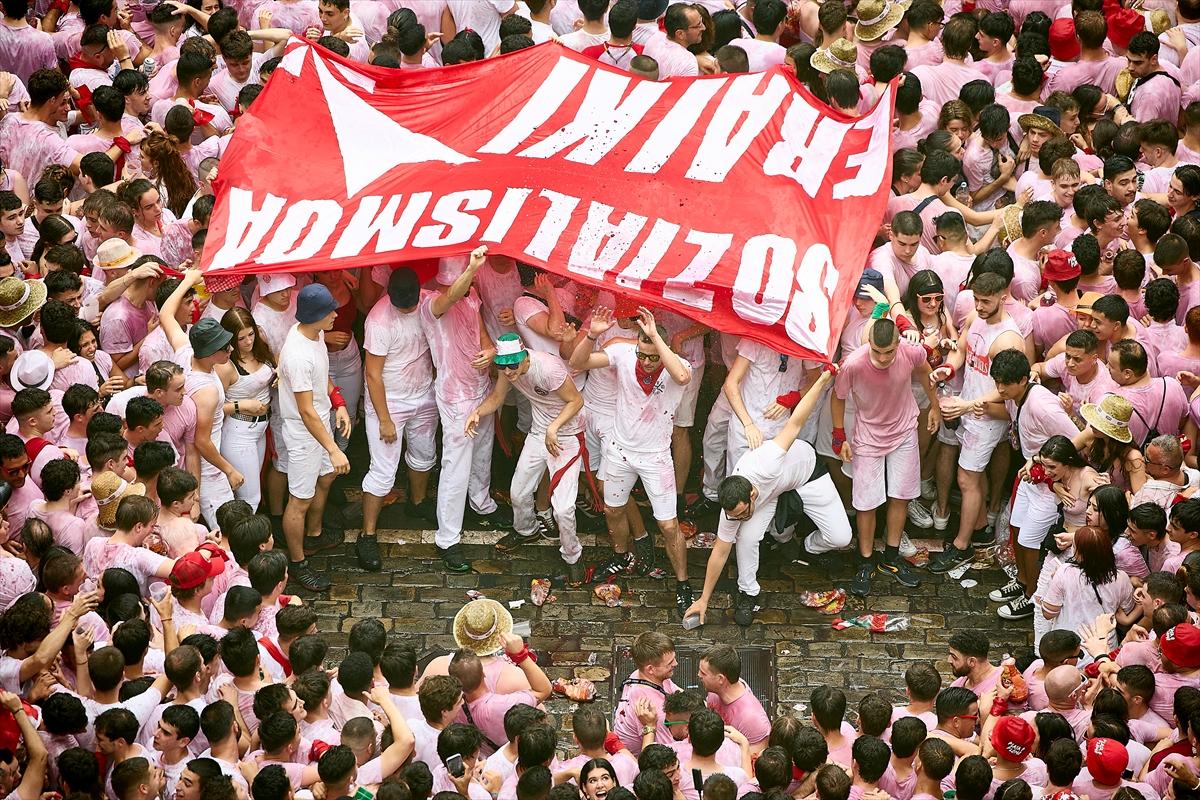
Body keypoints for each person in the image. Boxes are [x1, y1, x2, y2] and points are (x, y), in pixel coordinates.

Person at [684, 370, 851, 627]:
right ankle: (748, 592)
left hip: (807, 475)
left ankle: (807, 547)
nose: (738, 519)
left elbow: (796, 422)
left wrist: (821, 381)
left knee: (841, 537)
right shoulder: (732, 508)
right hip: (771, 495)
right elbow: (719, 552)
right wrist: (703, 600)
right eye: (734, 516)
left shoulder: (767, 463)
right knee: (746, 538)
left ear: (751, 494)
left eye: (742, 513)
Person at [569, 305, 694, 617]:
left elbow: (679, 374)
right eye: (643, 354)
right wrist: (592, 334)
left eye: (653, 356)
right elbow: (577, 361)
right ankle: (622, 555)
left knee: (667, 524)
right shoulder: (625, 355)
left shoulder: (678, 365)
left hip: (655, 457)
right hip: (620, 450)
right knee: (612, 509)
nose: (647, 362)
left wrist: (655, 339)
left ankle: (682, 583)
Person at [466, 333, 584, 582]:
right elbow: (497, 398)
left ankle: (573, 557)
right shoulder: (508, 372)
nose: (507, 371)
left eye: (512, 365)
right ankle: (526, 530)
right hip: (539, 432)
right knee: (518, 492)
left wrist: (555, 428)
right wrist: (477, 412)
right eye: (502, 365)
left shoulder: (548, 369)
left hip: (567, 435)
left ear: (523, 358)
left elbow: (576, 401)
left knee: (563, 508)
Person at [834, 316, 938, 596]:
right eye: (877, 352)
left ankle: (891, 557)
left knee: (901, 496)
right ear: (869, 344)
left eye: (889, 351)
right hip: (867, 436)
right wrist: (839, 436)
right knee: (866, 502)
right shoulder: (853, 364)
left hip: (904, 431)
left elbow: (926, 371)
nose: (882, 358)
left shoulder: (910, 350)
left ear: (897, 344)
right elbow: (838, 397)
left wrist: (936, 407)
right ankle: (865, 560)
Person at [275, 282, 353, 591]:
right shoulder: (297, 356)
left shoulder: (314, 334)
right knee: (299, 499)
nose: (336, 314)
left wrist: (339, 403)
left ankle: (315, 534)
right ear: (315, 316)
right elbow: (306, 411)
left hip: (320, 424)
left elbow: (324, 380)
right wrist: (333, 448)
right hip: (304, 433)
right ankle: (297, 562)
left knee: (325, 479)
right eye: (330, 310)